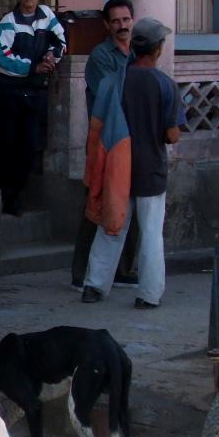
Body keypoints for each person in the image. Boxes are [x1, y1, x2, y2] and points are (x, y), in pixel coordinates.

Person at [82, 18, 185, 309]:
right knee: (151, 234)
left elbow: (98, 126)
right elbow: (172, 134)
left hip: (117, 166)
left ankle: (94, 286)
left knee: (111, 226)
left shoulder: (113, 81)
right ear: (157, 50)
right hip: (151, 169)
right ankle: (149, 295)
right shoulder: (165, 84)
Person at [72, 0, 139, 291]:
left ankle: (122, 270)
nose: (122, 26)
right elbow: (113, 97)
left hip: (133, 139)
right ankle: (80, 274)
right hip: (105, 141)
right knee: (96, 203)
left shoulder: (139, 52)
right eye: (116, 21)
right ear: (106, 25)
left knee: (131, 203)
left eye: (126, 20)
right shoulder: (101, 56)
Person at [0, 0, 67, 216]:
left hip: (33, 93)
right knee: (6, 145)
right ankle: (7, 198)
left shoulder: (48, 16)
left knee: (29, 146)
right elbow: (0, 56)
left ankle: (16, 193)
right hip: (7, 92)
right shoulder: (8, 21)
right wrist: (33, 67)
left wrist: (52, 55)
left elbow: (61, 40)